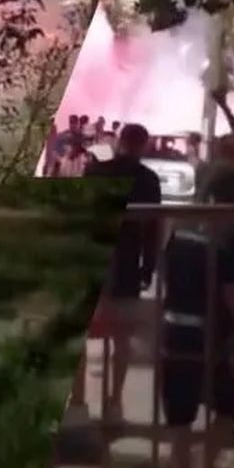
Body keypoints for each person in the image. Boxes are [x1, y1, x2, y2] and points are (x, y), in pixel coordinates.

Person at [159, 152, 234, 468]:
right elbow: (232, 295)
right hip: (208, 338)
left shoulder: (180, 228)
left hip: (173, 332)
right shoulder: (232, 241)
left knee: (180, 416)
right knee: (232, 404)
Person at [72, 123, 162, 424]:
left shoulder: (96, 172)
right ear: (144, 145)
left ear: (119, 141)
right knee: (122, 338)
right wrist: (148, 267)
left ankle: (78, 402)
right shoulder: (148, 180)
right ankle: (114, 403)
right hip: (126, 266)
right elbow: (153, 228)